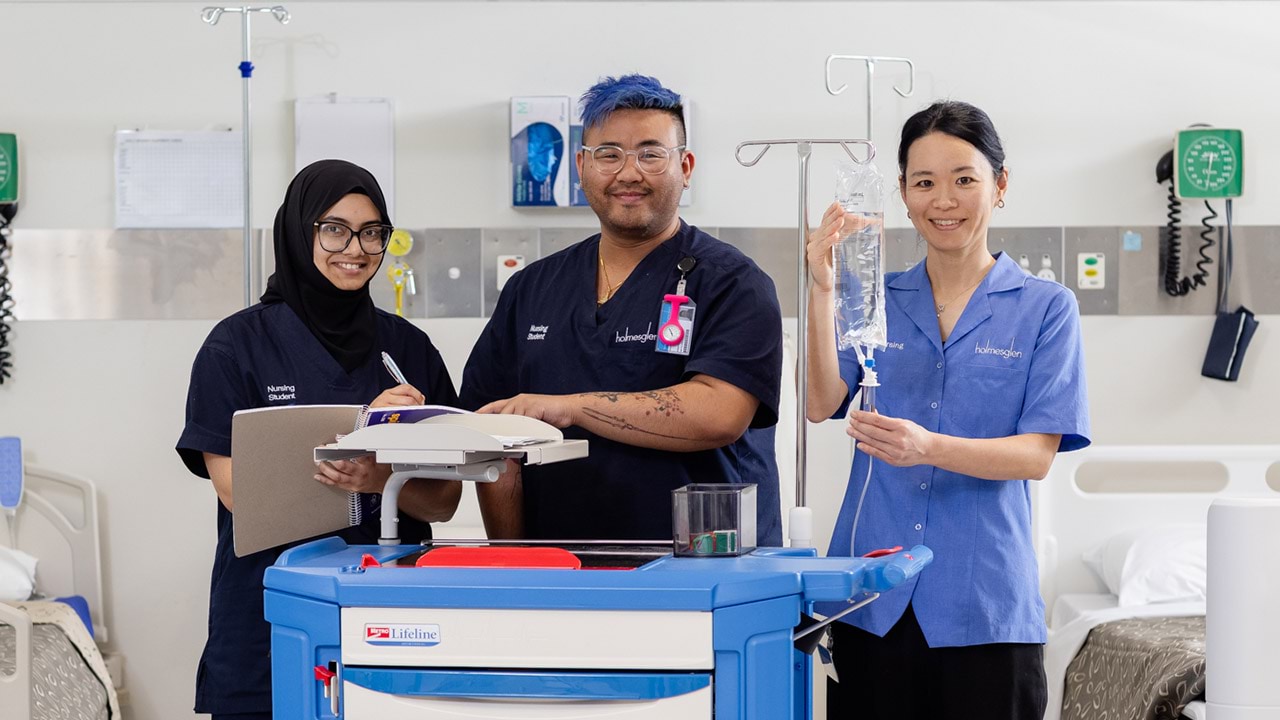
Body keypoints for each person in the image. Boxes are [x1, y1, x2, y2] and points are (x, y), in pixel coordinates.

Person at [804, 101, 1089, 719]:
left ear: (1000, 186)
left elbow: (1036, 457)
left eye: (965, 179)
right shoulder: (875, 296)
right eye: (924, 182)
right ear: (903, 195)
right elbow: (822, 402)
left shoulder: (1045, 308)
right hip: (873, 598)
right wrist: (823, 290)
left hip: (984, 603)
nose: (945, 200)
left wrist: (926, 447)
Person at [176, 159, 461, 720]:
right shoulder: (236, 347)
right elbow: (243, 495)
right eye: (334, 228)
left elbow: (444, 501)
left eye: (372, 232)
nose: (355, 248)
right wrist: (363, 433)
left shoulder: (409, 350)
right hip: (270, 612)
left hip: (393, 611)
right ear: (299, 231)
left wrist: (382, 477)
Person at [460, 74, 783, 544]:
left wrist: (573, 408)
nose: (629, 173)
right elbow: (491, 440)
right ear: (581, 167)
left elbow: (719, 413)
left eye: (651, 154)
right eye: (608, 154)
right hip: (563, 571)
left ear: (686, 166)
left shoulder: (732, 283)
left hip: (704, 569)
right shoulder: (531, 289)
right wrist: (515, 559)